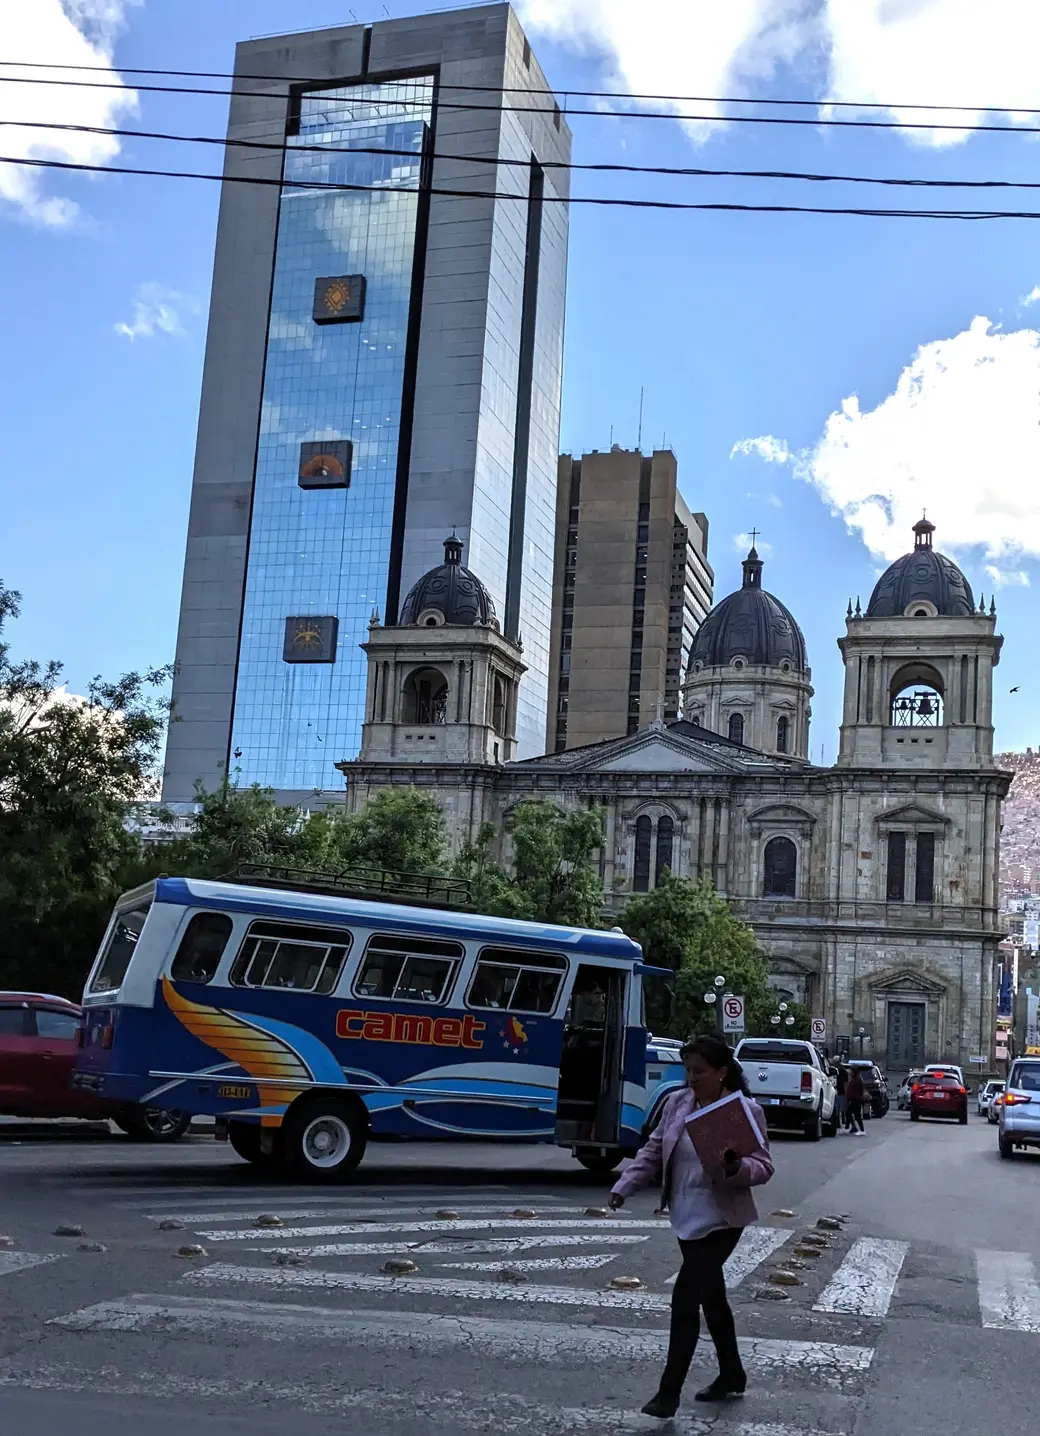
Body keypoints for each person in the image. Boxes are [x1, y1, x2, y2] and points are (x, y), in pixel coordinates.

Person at [608, 1034, 773, 1419]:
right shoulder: (677, 1103)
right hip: (685, 1213)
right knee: (712, 1299)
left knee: (685, 1299)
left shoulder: (744, 1109)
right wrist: (624, 1186)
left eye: (699, 1071)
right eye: (688, 1071)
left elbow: (763, 1166)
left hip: (722, 1220)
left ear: (722, 1073)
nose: (692, 1078)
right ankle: (732, 1373)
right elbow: (653, 1149)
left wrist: (736, 1167)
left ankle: (668, 1394)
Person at [845, 1067, 866, 1135]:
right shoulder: (856, 1079)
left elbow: (853, 1091)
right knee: (856, 1115)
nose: (849, 1073)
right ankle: (859, 1129)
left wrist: (849, 1097)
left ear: (853, 1073)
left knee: (850, 1113)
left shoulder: (856, 1080)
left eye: (851, 1071)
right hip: (856, 1099)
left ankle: (859, 1129)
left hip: (856, 1099)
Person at [833, 1061, 848, 1131]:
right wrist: (846, 1092)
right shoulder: (844, 1072)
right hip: (841, 1092)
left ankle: (837, 1122)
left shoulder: (833, 1071)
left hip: (836, 1091)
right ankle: (842, 1121)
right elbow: (845, 1083)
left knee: (837, 1108)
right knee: (842, 1108)